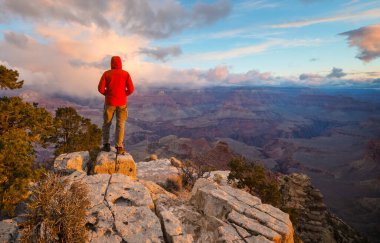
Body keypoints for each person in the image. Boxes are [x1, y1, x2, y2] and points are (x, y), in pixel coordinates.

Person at [98, 56, 134, 155]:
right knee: (120, 124)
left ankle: (106, 145)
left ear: (111, 63)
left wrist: (108, 95)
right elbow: (131, 89)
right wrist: (123, 95)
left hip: (109, 103)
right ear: (120, 63)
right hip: (122, 103)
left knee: (106, 124)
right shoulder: (125, 74)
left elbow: (100, 89)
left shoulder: (106, 74)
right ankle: (119, 146)